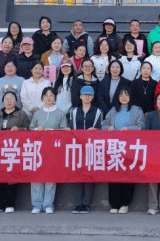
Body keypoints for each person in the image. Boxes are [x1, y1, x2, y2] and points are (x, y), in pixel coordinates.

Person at [0, 91, 30, 214]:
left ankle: (10, 204)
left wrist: (19, 129)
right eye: (6, 99)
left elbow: (29, 129)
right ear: (2, 102)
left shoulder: (22, 114)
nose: (9, 101)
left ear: (16, 101)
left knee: (12, 177)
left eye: (11, 99)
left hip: (14, 150)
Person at [102, 87, 145, 214]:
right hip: (115, 147)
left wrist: (129, 129)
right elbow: (104, 124)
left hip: (130, 147)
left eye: (126, 95)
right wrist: (108, 128)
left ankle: (125, 204)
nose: (124, 97)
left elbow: (141, 126)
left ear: (130, 97)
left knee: (128, 175)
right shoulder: (113, 110)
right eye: (121, 95)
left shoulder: (137, 110)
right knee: (114, 175)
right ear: (118, 97)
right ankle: (114, 204)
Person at [30, 88, 68, 214]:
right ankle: (36, 204)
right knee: (37, 177)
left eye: (51, 95)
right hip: (38, 150)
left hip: (53, 150)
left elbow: (64, 130)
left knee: (51, 177)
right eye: (46, 95)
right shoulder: (37, 113)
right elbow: (30, 129)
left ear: (55, 97)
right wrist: (37, 130)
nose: (49, 98)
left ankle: (48, 204)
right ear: (42, 98)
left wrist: (52, 131)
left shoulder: (60, 113)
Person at [68, 86, 103, 214]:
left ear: (93, 97)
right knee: (78, 174)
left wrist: (95, 130)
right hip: (77, 146)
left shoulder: (98, 111)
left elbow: (100, 128)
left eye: (89, 95)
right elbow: (71, 127)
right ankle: (78, 204)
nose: (87, 97)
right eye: (84, 94)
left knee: (89, 174)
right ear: (80, 97)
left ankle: (86, 204)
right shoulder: (74, 111)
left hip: (91, 146)